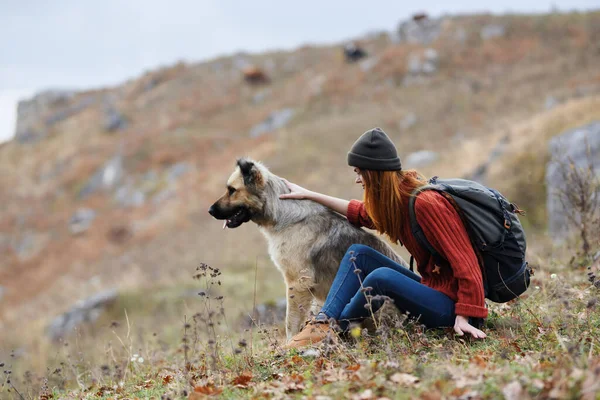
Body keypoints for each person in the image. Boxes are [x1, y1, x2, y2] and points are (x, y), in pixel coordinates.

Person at [279, 127, 487, 349]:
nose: (358, 180)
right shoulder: (399, 201)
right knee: (358, 253)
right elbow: (360, 213)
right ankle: (322, 324)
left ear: (375, 172)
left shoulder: (426, 204)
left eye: (360, 172)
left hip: (453, 311)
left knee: (382, 278)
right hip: (433, 291)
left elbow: (466, 262)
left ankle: (332, 329)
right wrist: (311, 195)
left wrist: (465, 316)